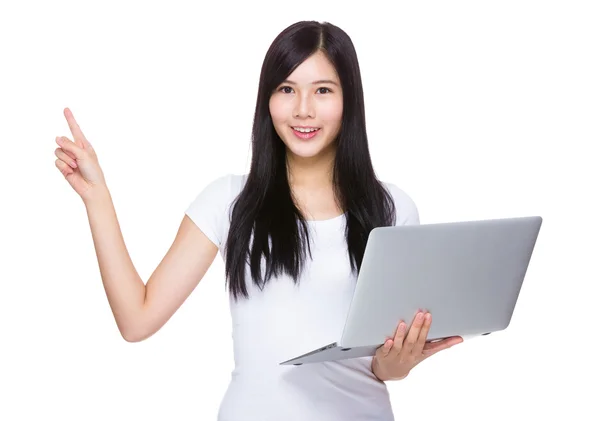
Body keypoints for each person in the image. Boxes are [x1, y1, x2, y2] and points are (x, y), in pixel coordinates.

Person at [54, 20, 463, 421]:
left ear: (348, 100)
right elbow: (136, 319)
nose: (303, 110)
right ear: (267, 99)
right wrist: (98, 198)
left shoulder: (392, 209)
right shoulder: (229, 201)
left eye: (322, 90)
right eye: (287, 89)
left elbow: (382, 367)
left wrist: (399, 363)